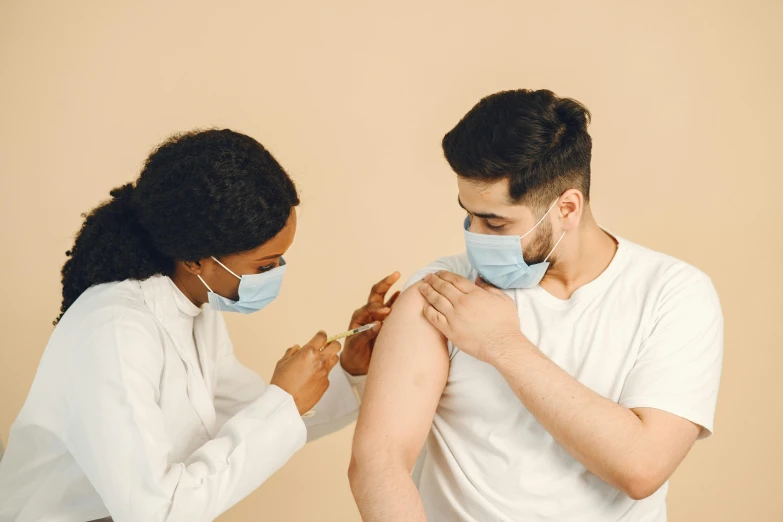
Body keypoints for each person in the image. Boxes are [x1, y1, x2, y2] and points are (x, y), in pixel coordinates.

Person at [349, 89, 724, 522]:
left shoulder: (674, 295)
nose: (474, 234)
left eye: (496, 222)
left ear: (567, 208)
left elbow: (641, 467)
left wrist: (502, 344)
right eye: (468, 214)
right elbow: (379, 461)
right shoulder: (443, 293)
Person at [0, 129, 400, 522]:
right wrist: (284, 402)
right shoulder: (115, 332)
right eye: (265, 265)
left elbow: (247, 417)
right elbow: (155, 512)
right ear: (195, 260)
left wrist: (347, 371)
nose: (278, 273)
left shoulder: (194, 306)